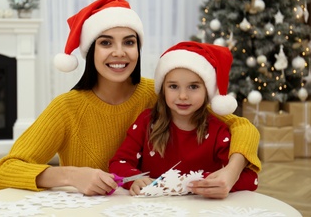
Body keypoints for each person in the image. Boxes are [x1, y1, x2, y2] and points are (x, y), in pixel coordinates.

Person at [0, 0, 261, 198]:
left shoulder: (160, 94)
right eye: (106, 42)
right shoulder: (66, 108)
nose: (119, 52)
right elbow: (4, 171)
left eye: (129, 42)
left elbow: (240, 126)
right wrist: (70, 175)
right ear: (90, 51)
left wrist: (232, 170)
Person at [109, 41, 258, 197]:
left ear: (207, 90)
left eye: (193, 87)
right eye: (173, 86)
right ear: (163, 89)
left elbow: (250, 179)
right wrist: (136, 180)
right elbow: (119, 163)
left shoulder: (218, 131)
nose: (183, 96)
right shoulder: (146, 122)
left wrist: (203, 181)